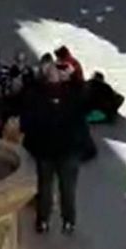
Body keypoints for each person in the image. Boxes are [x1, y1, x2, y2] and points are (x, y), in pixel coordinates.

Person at [21, 59, 89, 234]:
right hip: (65, 150)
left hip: (48, 150)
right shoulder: (68, 93)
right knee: (63, 188)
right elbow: (84, 98)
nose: (56, 72)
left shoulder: (39, 93)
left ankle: (46, 221)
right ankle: (65, 221)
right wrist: (73, 78)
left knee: (48, 187)